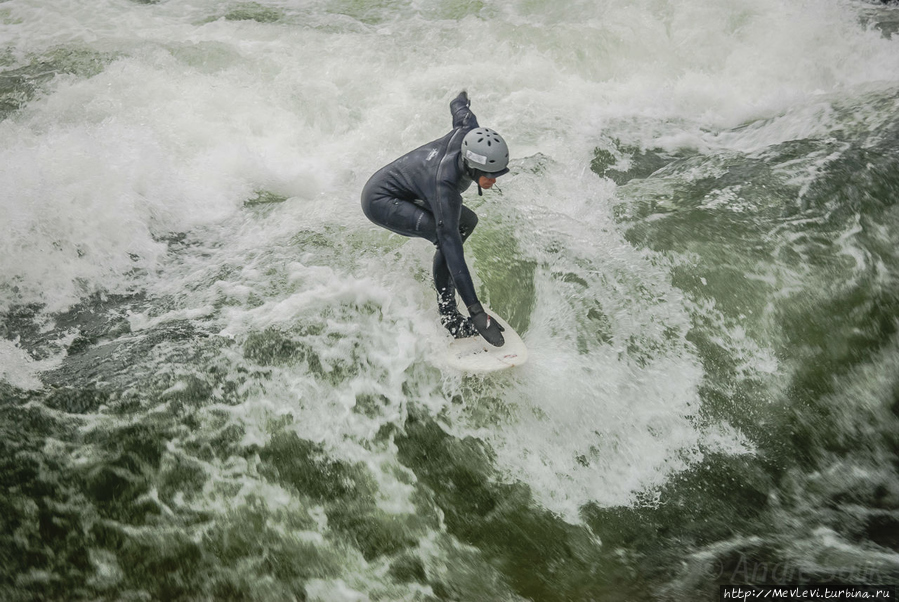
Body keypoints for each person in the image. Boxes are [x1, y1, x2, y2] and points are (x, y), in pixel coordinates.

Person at [361, 91, 508, 347]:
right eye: (489, 174)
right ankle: (450, 318)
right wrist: (477, 313)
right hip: (381, 200)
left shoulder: (469, 132)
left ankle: (450, 310)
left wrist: (461, 98)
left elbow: (460, 111)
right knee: (448, 239)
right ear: (472, 166)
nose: (493, 180)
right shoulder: (445, 187)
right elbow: (454, 251)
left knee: (467, 222)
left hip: (411, 190)